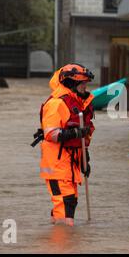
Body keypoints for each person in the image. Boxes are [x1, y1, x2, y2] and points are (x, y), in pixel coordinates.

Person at [36, 63, 95, 226]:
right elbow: (50, 133)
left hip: (70, 162)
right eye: (82, 83)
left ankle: (63, 240)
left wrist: (85, 160)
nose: (85, 86)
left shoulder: (79, 103)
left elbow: (84, 139)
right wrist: (75, 133)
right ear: (71, 83)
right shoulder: (57, 103)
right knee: (65, 202)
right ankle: (62, 242)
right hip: (57, 163)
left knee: (70, 202)